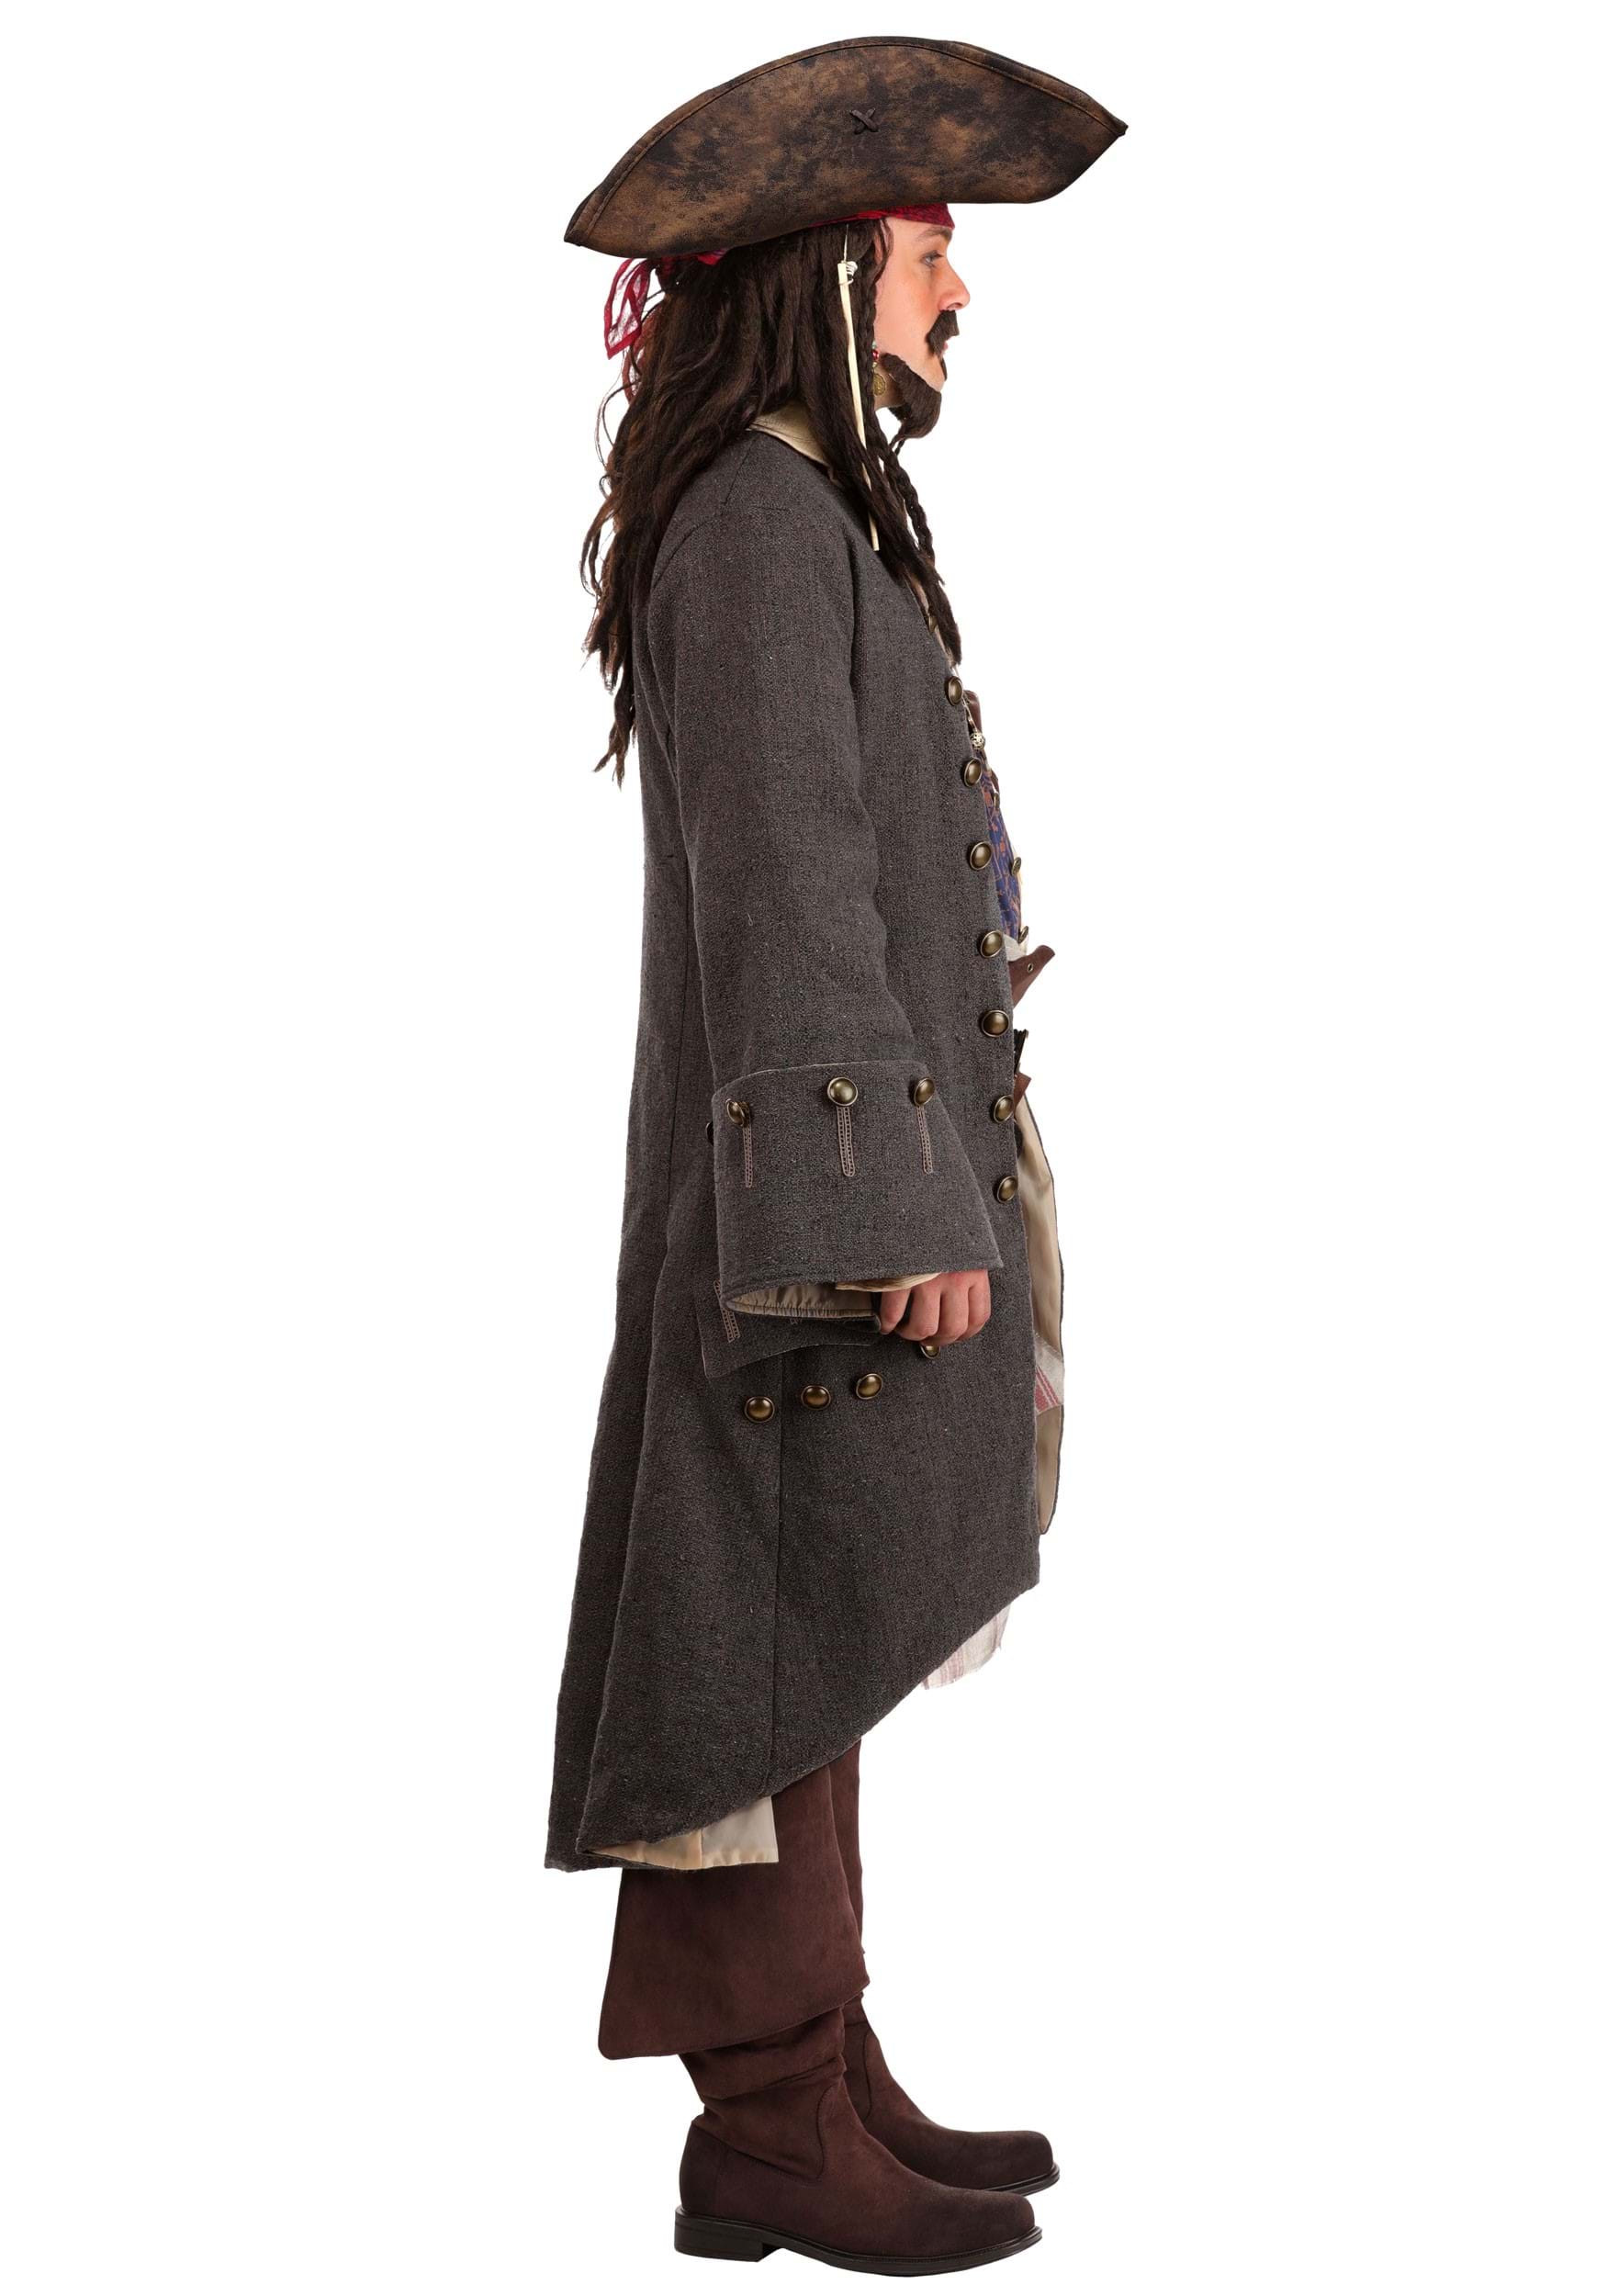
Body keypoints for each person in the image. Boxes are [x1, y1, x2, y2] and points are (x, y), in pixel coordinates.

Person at [546, 38, 1126, 2274]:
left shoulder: (804, 511)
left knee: (809, 1640)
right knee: (763, 1641)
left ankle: (818, 2074)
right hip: (810, 1219)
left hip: (836, 1186)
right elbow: (786, 878)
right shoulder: (758, 524)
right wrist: (879, 1204)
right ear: (821, 274)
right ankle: (772, 2119)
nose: (957, 287)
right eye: (923, 247)